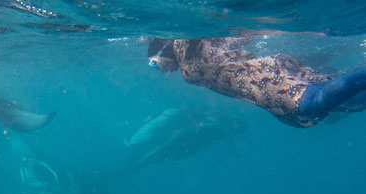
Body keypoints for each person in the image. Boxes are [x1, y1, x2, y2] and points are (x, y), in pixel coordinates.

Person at [147, 37, 366, 128]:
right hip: (269, 76)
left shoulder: (186, 53)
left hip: (266, 83)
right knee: (345, 103)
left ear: (162, 51)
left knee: (313, 103)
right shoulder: (199, 47)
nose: (161, 71)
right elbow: (240, 37)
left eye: (154, 64)